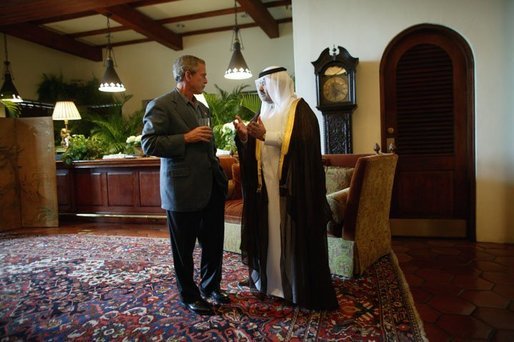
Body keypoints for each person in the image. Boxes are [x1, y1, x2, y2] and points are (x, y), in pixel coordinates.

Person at [233, 66, 338, 310]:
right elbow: (254, 151)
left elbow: (305, 143)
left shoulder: (299, 108)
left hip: (291, 190)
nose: (262, 91)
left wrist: (267, 135)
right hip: (265, 188)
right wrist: (246, 137)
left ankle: (294, 286)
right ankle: (269, 284)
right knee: (269, 235)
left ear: (278, 83)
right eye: (259, 86)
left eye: (265, 85)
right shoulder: (263, 112)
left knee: (289, 237)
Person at [141, 55, 229, 315]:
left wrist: (221, 180)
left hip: (211, 186)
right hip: (181, 190)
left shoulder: (203, 109)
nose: (206, 79)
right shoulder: (161, 105)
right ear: (187, 75)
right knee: (184, 250)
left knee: (213, 243)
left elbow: (209, 148)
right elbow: (149, 144)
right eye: (202, 74)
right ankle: (188, 295)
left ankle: (211, 287)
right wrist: (186, 138)